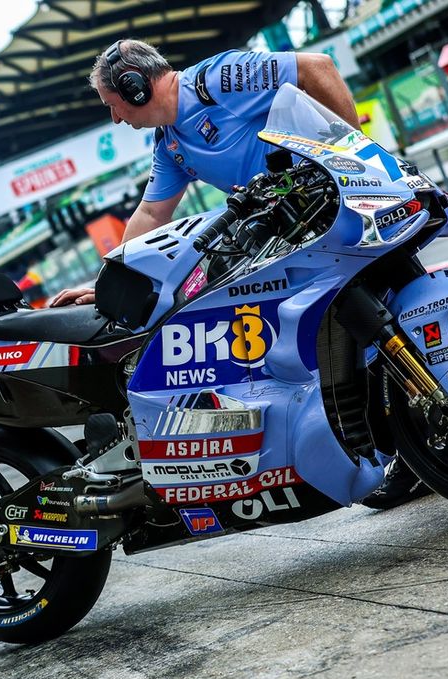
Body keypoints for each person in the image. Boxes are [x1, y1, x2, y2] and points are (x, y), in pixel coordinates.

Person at [47, 39, 427, 508]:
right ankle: (409, 453)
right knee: (346, 343)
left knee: (412, 308)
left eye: (113, 104)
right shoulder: (170, 145)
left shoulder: (214, 81)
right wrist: (105, 284)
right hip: (295, 238)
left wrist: (361, 161)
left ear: (135, 86)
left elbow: (316, 67)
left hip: (341, 213)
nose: (115, 118)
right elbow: (150, 214)